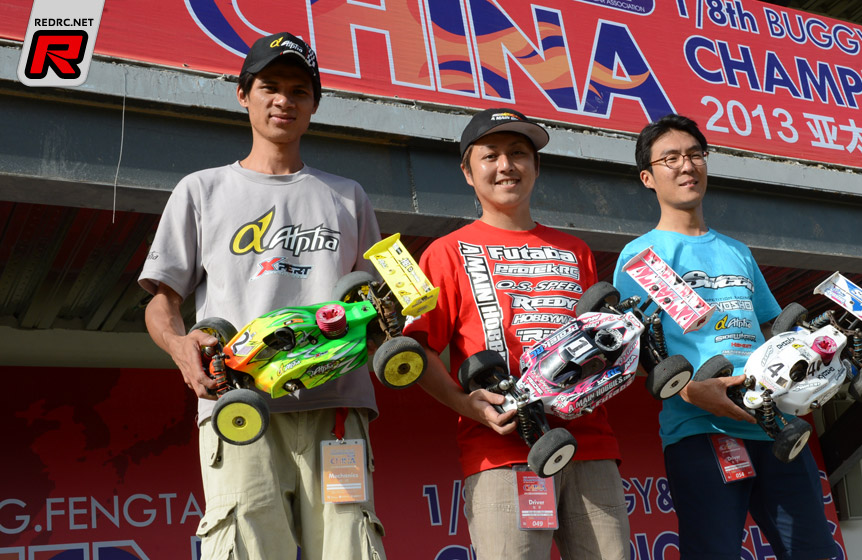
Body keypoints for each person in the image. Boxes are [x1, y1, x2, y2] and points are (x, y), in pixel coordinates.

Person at [139, 32, 386, 560]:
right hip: (239, 405)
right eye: (269, 86)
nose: (283, 101)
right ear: (243, 94)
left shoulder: (348, 196)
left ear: (314, 104)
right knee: (244, 548)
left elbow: (380, 301)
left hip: (337, 409)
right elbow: (161, 300)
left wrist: (394, 315)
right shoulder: (201, 190)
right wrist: (181, 347)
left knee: (351, 550)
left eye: (299, 91)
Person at [403, 108, 631, 559]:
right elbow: (418, 349)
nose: (506, 165)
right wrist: (464, 403)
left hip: (592, 446)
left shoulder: (576, 250)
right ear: (468, 172)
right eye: (491, 155)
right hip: (501, 453)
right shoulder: (443, 252)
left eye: (519, 153)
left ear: (536, 167)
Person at [613, 114, 839, 560]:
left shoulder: (737, 250)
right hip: (700, 431)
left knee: (814, 551)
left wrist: (820, 344)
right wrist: (694, 392)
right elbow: (634, 346)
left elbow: (771, 325)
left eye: (695, 154)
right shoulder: (641, 255)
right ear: (648, 177)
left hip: (775, 424)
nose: (686, 166)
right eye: (671, 158)